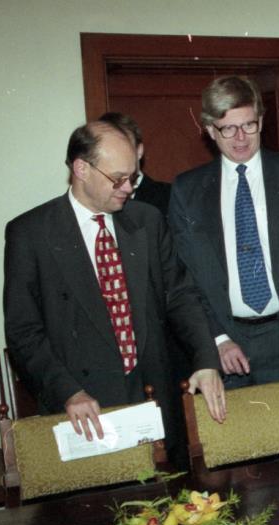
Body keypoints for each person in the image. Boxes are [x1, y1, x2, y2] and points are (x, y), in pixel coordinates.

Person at [3, 121, 227, 444]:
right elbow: (23, 331)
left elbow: (181, 296)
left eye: (132, 177)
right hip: (81, 404)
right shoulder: (31, 233)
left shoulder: (147, 220)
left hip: (152, 395)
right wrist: (68, 392)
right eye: (118, 178)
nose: (128, 188)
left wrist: (205, 360)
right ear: (81, 169)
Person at [168, 75, 279, 388]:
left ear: (261, 120)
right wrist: (218, 339)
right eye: (228, 128)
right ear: (210, 130)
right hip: (226, 346)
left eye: (249, 125)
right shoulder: (187, 191)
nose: (240, 138)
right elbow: (184, 278)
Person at [97, 111, 191, 468]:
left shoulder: (168, 198)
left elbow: (181, 280)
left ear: (139, 150)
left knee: (173, 454)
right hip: (113, 358)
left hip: (166, 349)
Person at [97, 112, 172, 214]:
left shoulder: (170, 197)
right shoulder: (93, 198)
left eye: (124, 149)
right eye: (109, 150)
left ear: (139, 151)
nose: (117, 156)